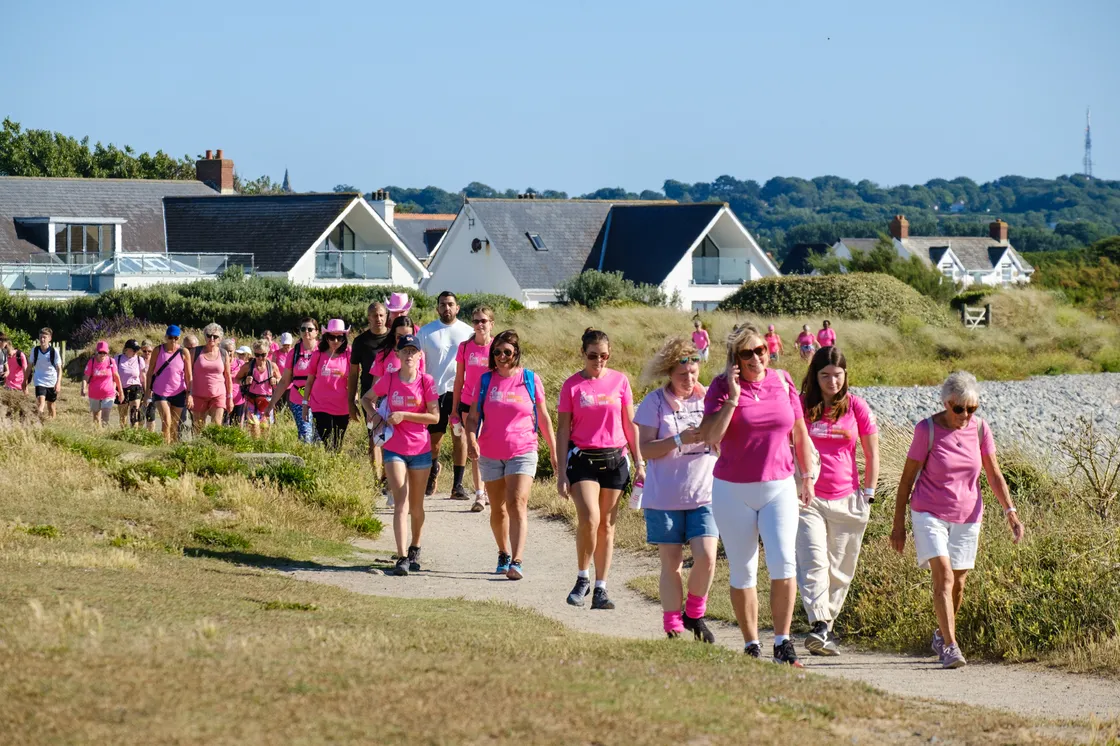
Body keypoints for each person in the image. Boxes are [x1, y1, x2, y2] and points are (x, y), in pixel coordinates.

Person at [699, 323, 816, 666]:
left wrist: (806, 477)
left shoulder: (782, 381)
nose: (756, 358)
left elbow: (799, 433)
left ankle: (782, 642)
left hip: (779, 486)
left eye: (761, 350)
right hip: (732, 491)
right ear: (735, 358)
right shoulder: (721, 387)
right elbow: (710, 436)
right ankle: (752, 644)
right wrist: (733, 399)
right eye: (747, 352)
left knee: (783, 562)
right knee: (743, 570)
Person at [891, 371, 1025, 669]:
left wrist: (1010, 511)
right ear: (946, 403)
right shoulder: (926, 430)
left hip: (969, 514)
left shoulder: (980, 429)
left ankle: (941, 634)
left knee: (959, 584)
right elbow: (906, 480)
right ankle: (951, 647)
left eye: (972, 408)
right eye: (959, 408)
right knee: (944, 575)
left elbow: (993, 474)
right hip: (929, 512)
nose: (965, 415)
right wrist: (898, 525)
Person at [796, 346, 880, 656]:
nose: (832, 382)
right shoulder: (803, 408)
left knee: (841, 569)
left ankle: (825, 630)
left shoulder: (857, 407)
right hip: (809, 498)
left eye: (838, 375)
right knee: (814, 561)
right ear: (814, 377)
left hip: (849, 497)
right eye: (825, 375)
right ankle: (819, 624)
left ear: (845, 376)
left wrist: (868, 494)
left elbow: (872, 454)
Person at [635, 337, 718, 642]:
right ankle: (672, 625)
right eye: (683, 375)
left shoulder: (709, 398)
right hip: (665, 497)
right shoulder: (654, 403)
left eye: (694, 373)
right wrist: (679, 439)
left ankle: (694, 614)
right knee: (672, 564)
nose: (690, 380)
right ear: (669, 373)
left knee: (707, 556)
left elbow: (723, 435)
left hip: (704, 493)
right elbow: (645, 449)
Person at [556, 328, 645, 611]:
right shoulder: (572, 386)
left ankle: (601, 588)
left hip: (615, 459)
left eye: (604, 356)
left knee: (607, 526)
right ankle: (582, 577)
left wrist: (640, 461)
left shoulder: (620, 381)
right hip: (583, 459)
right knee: (590, 518)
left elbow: (630, 424)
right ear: (582, 354)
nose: (599, 361)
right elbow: (561, 431)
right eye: (593, 356)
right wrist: (560, 473)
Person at [465, 329, 557, 580]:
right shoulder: (484, 381)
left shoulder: (530, 379)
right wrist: (471, 439)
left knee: (517, 503)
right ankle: (503, 552)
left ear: (516, 353)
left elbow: (544, 418)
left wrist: (554, 452)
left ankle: (517, 560)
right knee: (498, 508)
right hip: (491, 452)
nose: (502, 357)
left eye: (507, 352)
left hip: (523, 450)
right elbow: (473, 418)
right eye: (497, 352)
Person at [362, 334, 439, 576]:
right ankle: (402, 556)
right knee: (400, 502)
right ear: (398, 354)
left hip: (420, 449)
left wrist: (404, 415)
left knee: (417, 506)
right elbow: (366, 398)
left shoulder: (426, 381)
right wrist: (375, 417)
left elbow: (434, 417)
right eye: (404, 351)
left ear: (419, 356)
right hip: (394, 447)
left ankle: (415, 546)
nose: (408, 355)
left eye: (412, 351)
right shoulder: (390, 378)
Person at [418, 291, 474, 498]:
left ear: (457, 308)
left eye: (450, 304)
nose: (447, 308)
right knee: (434, 441)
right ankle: (433, 471)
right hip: (434, 392)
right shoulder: (426, 332)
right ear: (437, 308)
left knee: (460, 437)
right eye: (443, 304)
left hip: (459, 392)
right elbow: (416, 361)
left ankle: (457, 485)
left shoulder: (468, 333)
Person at [451, 305, 494, 511]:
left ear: (491, 324)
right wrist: (453, 410)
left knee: (490, 448)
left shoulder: (497, 347)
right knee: (474, 447)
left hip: (492, 403)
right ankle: (479, 494)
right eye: (476, 321)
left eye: (483, 321)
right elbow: (459, 379)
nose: (479, 325)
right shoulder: (465, 347)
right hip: (469, 402)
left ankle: (490, 491)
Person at [349, 302, 391, 481]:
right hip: (369, 396)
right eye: (375, 316)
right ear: (369, 318)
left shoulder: (393, 338)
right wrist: (351, 401)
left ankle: (388, 476)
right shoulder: (360, 341)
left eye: (381, 315)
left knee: (389, 438)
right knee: (374, 437)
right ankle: (378, 479)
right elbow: (353, 373)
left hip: (392, 395)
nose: (378, 319)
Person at [302, 319, 352, 451]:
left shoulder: (348, 354)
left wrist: (354, 401)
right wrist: (305, 404)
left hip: (342, 407)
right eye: (331, 337)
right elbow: (310, 381)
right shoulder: (318, 354)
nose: (335, 341)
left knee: (337, 443)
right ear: (326, 337)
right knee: (327, 439)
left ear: (344, 338)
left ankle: (333, 467)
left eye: (339, 337)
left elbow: (353, 379)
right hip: (320, 405)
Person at [267, 318, 319, 444]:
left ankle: (316, 461)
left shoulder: (323, 351)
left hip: (319, 398)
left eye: (310, 329)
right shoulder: (294, 353)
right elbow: (285, 381)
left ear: (316, 332)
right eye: (303, 329)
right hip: (298, 397)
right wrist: (271, 403)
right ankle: (303, 459)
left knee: (319, 437)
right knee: (306, 434)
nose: (306, 331)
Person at [144, 325, 192, 444]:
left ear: (179, 338)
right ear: (166, 337)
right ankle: (164, 446)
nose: (173, 340)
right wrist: (147, 393)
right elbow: (150, 372)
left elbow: (189, 376)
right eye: (170, 337)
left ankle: (172, 449)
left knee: (175, 425)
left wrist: (189, 394)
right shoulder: (158, 350)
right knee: (166, 420)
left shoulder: (184, 352)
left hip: (179, 391)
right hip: (161, 392)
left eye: (176, 338)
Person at [190, 323, 234, 434]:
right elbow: (187, 373)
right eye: (209, 335)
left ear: (220, 339)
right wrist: (188, 394)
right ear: (205, 336)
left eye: (215, 336)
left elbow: (228, 376)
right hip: (198, 394)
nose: (212, 339)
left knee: (216, 425)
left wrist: (230, 397)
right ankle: (199, 448)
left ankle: (215, 449)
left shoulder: (224, 354)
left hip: (218, 394)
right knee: (198, 426)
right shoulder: (195, 352)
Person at [237, 340, 280, 439]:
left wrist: (276, 381)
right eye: (257, 355)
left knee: (265, 429)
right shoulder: (248, 367)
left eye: (263, 355)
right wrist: (244, 382)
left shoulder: (272, 366)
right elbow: (236, 379)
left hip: (267, 401)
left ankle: (264, 449)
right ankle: (255, 449)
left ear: (268, 352)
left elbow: (281, 380)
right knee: (254, 428)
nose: (260, 358)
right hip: (252, 400)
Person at [82, 341, 124, 428]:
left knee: (105, 417)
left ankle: (105, 435)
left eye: (104, 353)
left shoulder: (111, 361)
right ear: (97, 352)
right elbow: (86, 377)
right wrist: (83, 388)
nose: (102, 355)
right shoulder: (92, 362)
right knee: (96, 417)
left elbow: (116, 377)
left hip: (108, 393)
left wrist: (121, 392)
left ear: (107, 352)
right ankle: (98, 435)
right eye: (100, 352)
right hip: (94, 393)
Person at [31, 328, 62, 419]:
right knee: (41, 402)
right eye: (40, 337)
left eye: (44, 337)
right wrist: (25, 381)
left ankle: (52, 422)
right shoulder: (35, 350)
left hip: (51, 381)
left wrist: (58, 383)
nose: (42, 339)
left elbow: (59, 369)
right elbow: (29, 367)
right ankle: (38, 420)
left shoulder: (54, 351)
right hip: (39, 380)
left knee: (51, 405)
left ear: (50, 338)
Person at [115, 339, 146, 428]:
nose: (135, 352)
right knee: (123, 415)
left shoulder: (140, 360)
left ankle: (134, 433)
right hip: (121, 388)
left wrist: (146, 390)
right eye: (133, 350)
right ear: (126, 349)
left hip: (135, 387)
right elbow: (113, 376)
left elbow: (143, 377)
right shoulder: (118, 359)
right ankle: (124, 434)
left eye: (136, 350)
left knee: (134, 412)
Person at [228, 344, 251, 427]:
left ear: (248, 355)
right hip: (227, 396)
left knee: (240, 420)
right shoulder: (236, 363)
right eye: (239, 354)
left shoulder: (247, 366)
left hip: (241, 396)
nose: (240, 356)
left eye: (242, 354)